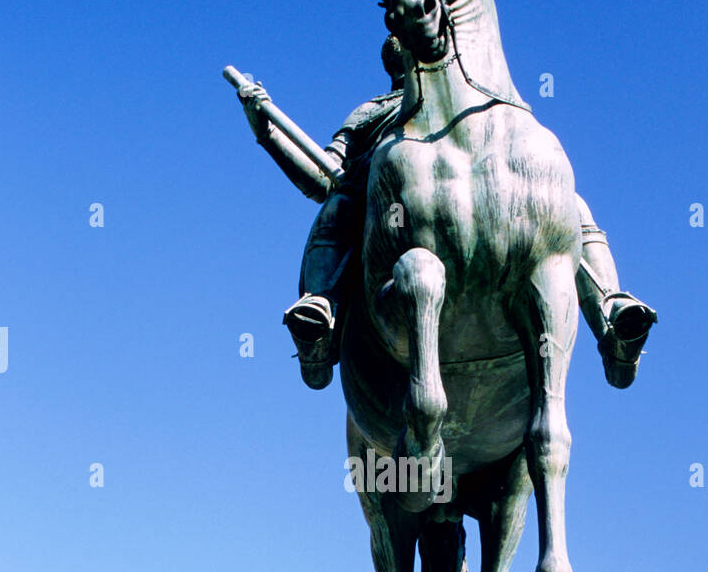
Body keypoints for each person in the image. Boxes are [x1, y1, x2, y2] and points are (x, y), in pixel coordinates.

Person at [237, 39, 656, 391]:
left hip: (481, 199)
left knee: (565, 203)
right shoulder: (371, 112)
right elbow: (321, 178)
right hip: (388, 216)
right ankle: (321, 314)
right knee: (338, 205)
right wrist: (266, 131)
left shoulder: (481, 100)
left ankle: (610, 316)